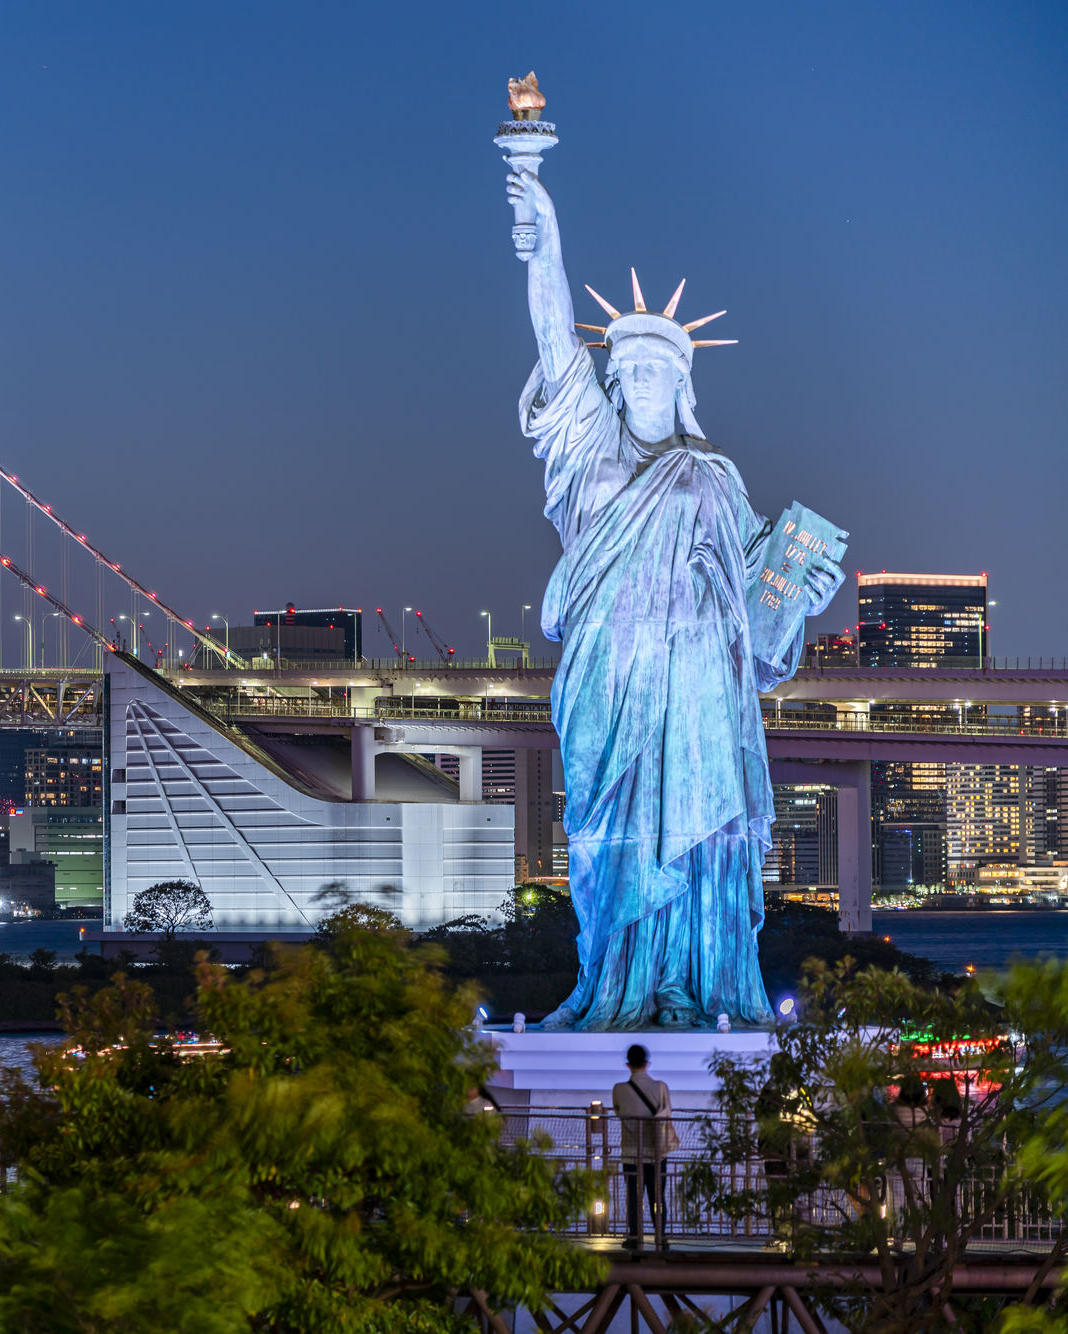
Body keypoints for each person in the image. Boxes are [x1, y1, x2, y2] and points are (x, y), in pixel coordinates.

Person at [504, 140, 844, 1030]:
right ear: (612, 383)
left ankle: (705, 983)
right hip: (613, 681)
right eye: (630, 371)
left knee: (706, 840)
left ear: (684, 383)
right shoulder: (592, 451)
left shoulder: (715, 477)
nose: (642, 380)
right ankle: (614, 985)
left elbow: (754, 612)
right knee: (608, 842)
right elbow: (551, 330)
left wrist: (795, 596)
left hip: (697, 688)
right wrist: (547, 234)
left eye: (659, 369)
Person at [612, 1044, 675, 1252]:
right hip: (657, 1152)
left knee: (633, 1197)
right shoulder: (661, 1087)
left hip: (631, 1154)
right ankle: (661, 1238)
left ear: (628, 1065)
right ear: (647, 1064)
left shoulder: (619, 1089)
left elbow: (618, 1112)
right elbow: (667, 1114)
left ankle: (634, 1237)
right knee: (658, 1197)